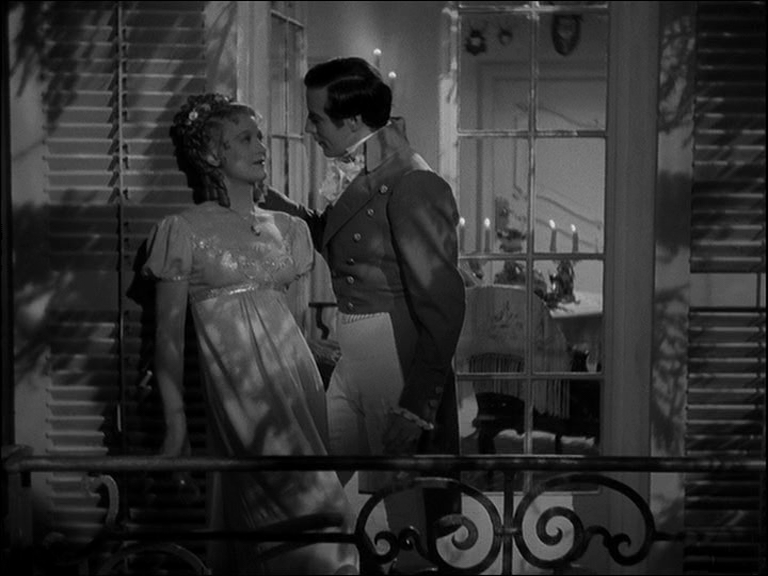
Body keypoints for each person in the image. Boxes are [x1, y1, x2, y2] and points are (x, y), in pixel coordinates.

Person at [261, 57, 466, 571]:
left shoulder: (412, 181)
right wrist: (268, 200)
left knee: (405, 511)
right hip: (354, 347)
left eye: (317, 118)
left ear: (352, 121)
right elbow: (339, 238)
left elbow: (444, 308)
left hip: (392, 350)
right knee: (316, 482)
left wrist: (416, 406)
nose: (309, 129)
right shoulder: (365, 172)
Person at [141, 93, 359, 575]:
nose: (260, 146)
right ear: (211, 153)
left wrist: (319, 350)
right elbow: (168, 340)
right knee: (318, 520)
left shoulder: (288, 229)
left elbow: (283, 320)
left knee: (314, 523)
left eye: (259, 136)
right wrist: (176, 424)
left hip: (297, 384)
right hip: (243, 393)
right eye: (245, 139)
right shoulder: (183, 231)